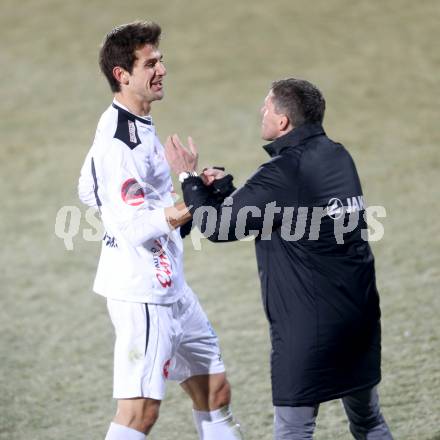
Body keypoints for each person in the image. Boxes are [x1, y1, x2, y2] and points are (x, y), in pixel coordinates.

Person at [165, 78, 393, 439]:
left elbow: (216, 226)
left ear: (284, 122)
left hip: (308, 328)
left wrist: (188, 177)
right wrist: (223, 189)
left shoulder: (282, 172)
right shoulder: (338, 156)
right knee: (369, 422)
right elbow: (276, 210)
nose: (261, 111)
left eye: (267, 107)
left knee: (293, 431)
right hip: (359, 316)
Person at [78, 21, 243, 440]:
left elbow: (87, 189)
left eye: (161, 60)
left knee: (215, 391)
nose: (162, 69)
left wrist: (190, 191)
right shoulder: (119, 144)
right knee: (139, 415)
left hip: (172, 285)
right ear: (123, 74)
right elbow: (134, 227)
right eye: (150, 63)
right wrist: (195, 202)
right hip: (143, 295)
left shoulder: (134, 124)